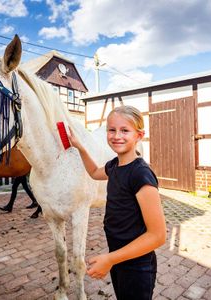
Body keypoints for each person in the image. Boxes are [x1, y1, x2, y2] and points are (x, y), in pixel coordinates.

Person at [68, 105, 167, 300]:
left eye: (124, 130)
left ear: (139, 136)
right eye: (111, 130)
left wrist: (110, 259)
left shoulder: (140, 174)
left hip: (138, 265)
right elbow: (95, 172)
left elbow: (158, 236)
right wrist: (80, 147)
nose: (116, 136)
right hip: (120, 256)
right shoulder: (114, 165)